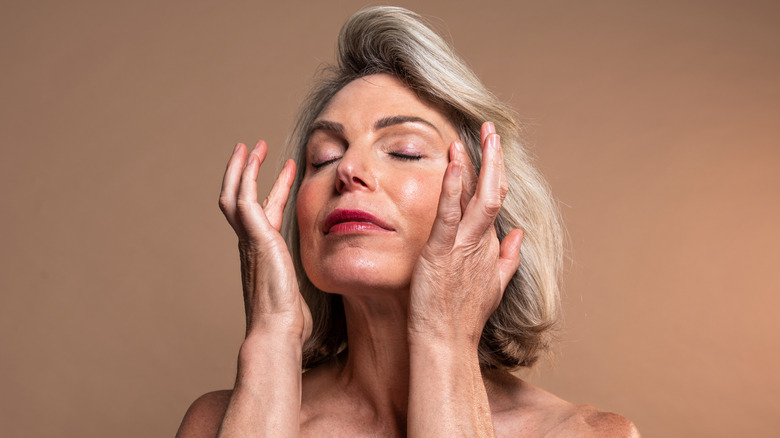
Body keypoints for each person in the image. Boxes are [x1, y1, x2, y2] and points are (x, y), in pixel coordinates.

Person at [176, 6, 638, 437]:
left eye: (405, 151)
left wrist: (446, 341)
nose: (347, 169)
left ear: (488, 203)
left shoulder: (583, 433)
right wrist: (272, 335)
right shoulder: (218, 423)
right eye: (324, 156)